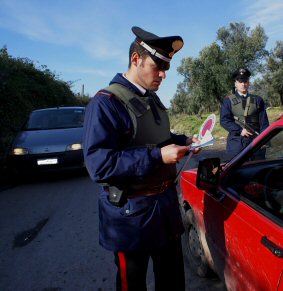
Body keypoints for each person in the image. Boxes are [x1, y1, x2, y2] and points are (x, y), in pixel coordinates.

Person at [83, 26, 199, 291]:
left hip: (165, 209)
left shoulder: (152, 99)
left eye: (166, 66)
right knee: (132, 284)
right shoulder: (106, 103)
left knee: (172, 280)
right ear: (136, 59)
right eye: (157, 66)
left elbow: (157, 135)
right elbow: (99, 164)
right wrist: (157, 157)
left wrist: (184, 142)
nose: (163, 74)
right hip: (131, 217)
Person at [220, 68, 269, 159]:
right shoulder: (228, 101)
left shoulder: (258, 100)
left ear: (248, 82)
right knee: (237, 171)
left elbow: (264, 123)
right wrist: (240, 130)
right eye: (240, 81)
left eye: (245, 81)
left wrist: (263, 140)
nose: (243, 84)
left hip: (256, 142)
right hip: (237, 143)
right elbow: (224, 120)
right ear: (235, 83)